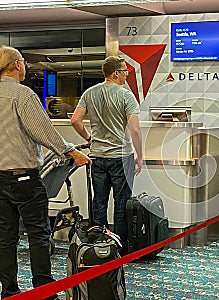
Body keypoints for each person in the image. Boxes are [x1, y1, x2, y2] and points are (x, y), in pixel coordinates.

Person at [0, 46, 91, 299]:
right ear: (17, 65)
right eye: (24, 63)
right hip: (24, 178)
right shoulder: (22, 94)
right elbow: (43, 131)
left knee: (5, 237)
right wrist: (71, 152)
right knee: (38, 234)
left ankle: (8, 291)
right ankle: (44, 290)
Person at [71, 56, 143, 256]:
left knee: (99, 201)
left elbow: (75, 120)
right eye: (125, 70)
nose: (128, 74)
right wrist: (140, 155)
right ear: (115, 73)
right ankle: (117, 249)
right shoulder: (126, 96)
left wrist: (89, 138)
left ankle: (98, 246)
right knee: (121, 203)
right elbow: (135, 130)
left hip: (97, 157)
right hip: (121, 157)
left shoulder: (89, 93)